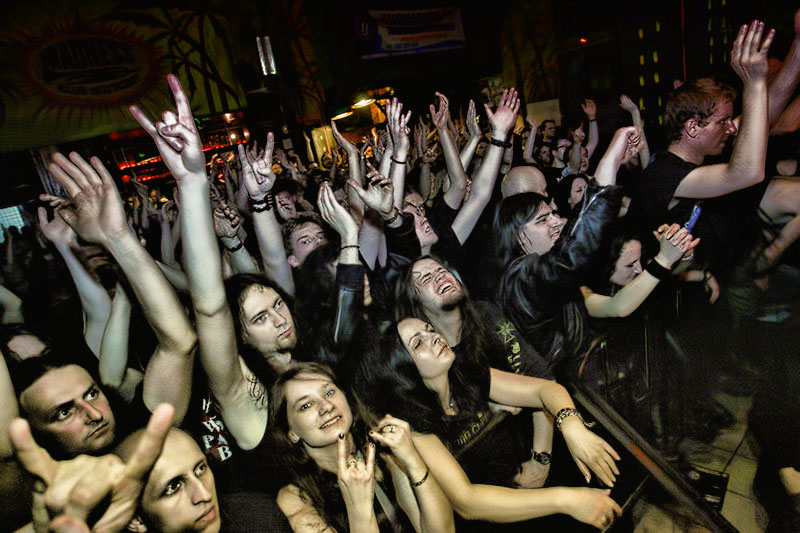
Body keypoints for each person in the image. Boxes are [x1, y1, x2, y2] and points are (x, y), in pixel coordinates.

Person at [356, 318, 622, 530]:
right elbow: (467, 502)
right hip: (490, 519)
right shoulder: (413, 426)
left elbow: (544, 390)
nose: (434, 336)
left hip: (527, 488)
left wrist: (571, 427)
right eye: (418, 343)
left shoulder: (464, 371)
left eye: (429, 329)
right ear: (404, 370)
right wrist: (564, 499)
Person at [495, 127, 641, 376]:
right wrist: (608, 162)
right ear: (518, 236)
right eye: (542, 220)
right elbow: (572, 255)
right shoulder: (519, 277)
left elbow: (578, 234)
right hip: (558, 387)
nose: (555, 222)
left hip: (577, 374)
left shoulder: (541, 262)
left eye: (551, 214)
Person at [270, 362, 455, 533]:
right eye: (306, 405)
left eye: (329, 393)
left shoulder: (382, 449)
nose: (326, 406)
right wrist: (358, 507)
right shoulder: (296, 499)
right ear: (291, 432)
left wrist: (413, 461)